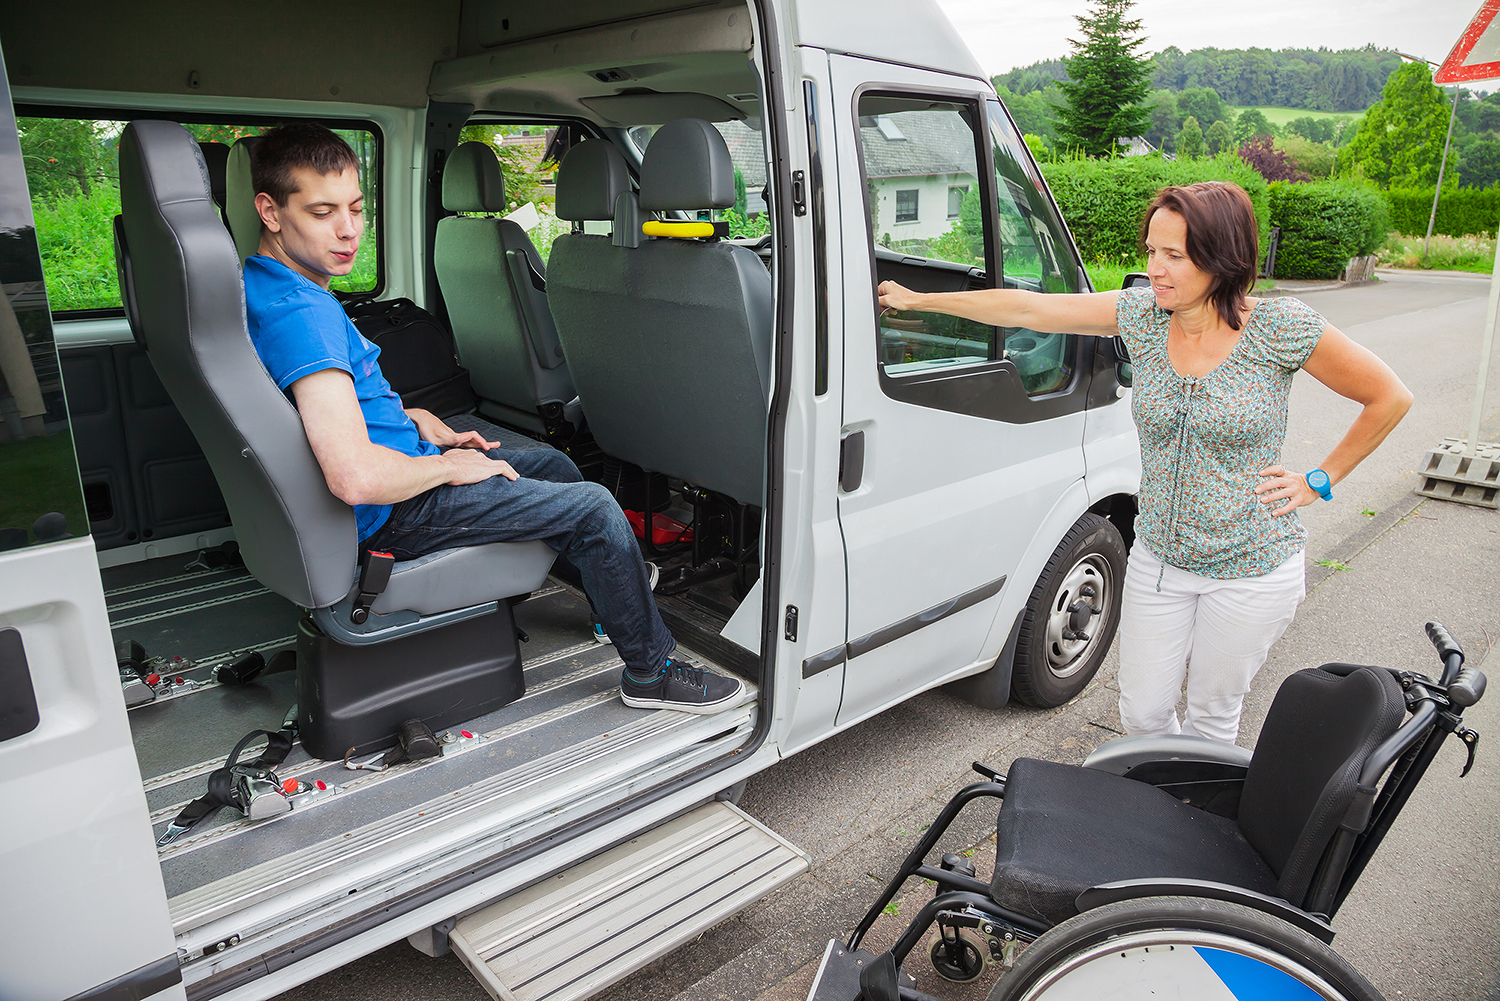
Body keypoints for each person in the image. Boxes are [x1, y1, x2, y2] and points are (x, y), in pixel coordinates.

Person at [878, 181, 1411, 743]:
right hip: (1160, 558)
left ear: (1222, 257)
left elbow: (1389, 397)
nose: (1155, 268)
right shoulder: (1141, 316)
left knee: (1212, 718)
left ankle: (1186, 817)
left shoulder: (1280, 329)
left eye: (1174, 256)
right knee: (1143, 716)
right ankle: (1158, 793)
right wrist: (920, 302)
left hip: (1251, 570)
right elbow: (1030, 307)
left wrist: (1320, 479)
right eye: (1151, 251)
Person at [240, 123, 744, 714]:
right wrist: (448, 469)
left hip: (401, 472)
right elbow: (355, 477)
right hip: (393, 511)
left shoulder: (266, 284)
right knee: (595, 508)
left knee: (554, 463)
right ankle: (651, 673)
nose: (349, 230)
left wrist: (411, 416)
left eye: (355, 208)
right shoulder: (304, 316)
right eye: (323, 212)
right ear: (270, 211)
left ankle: (616, 599)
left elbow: (314, 411)